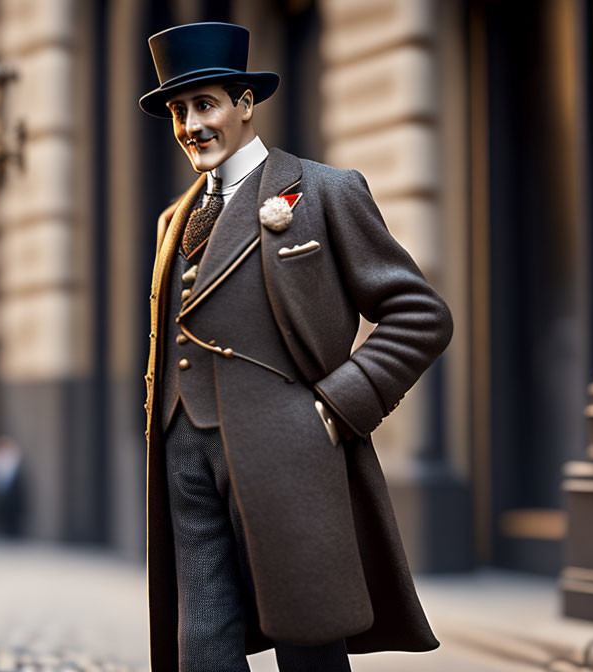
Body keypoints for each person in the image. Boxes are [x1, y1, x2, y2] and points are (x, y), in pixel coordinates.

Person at [139, 22, 454, 671]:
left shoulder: (323, 191)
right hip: (182, 450)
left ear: (246, 105)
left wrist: (337, 408)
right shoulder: (174, 220)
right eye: (178, 110)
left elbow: (419, 315)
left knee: (309, 640)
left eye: (206, 105)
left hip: (290, 454)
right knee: (202, 637)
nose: (191, 124)